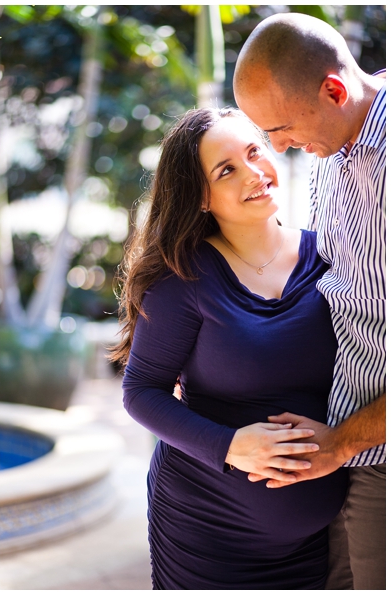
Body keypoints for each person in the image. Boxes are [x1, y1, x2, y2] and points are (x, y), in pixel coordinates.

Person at [113, 107, 349, 588]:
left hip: (313, 542)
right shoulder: (185, 278)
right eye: (227, 170)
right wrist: (232, 447)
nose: (254, 174)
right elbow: (140, 391)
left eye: (254, 152)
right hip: (206, 531)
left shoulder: (331, 257)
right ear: (201, 196)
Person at [233, 13, 385, 589]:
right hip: (341, 443)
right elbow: (327, 284)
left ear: (334, 90)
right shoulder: (332, 148)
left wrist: (341, 442)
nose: (277, 149)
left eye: (280, 129)